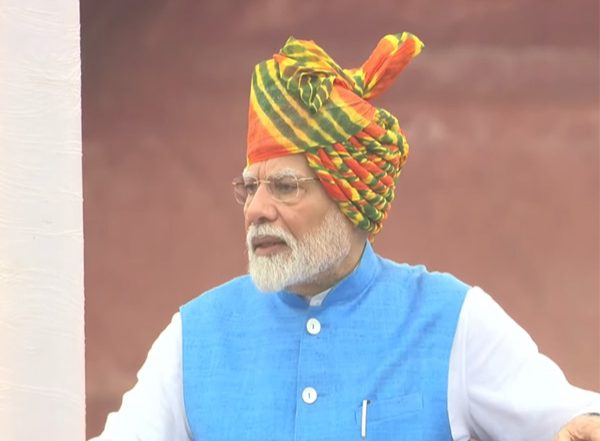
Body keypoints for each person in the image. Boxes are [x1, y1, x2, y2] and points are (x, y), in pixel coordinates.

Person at [90, 33, 600, 441]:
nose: (256, 210)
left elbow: (569, 420)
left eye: (285, 187)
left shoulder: (452, 322)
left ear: (348, 197)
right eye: (249, 188)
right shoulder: (196, 336)